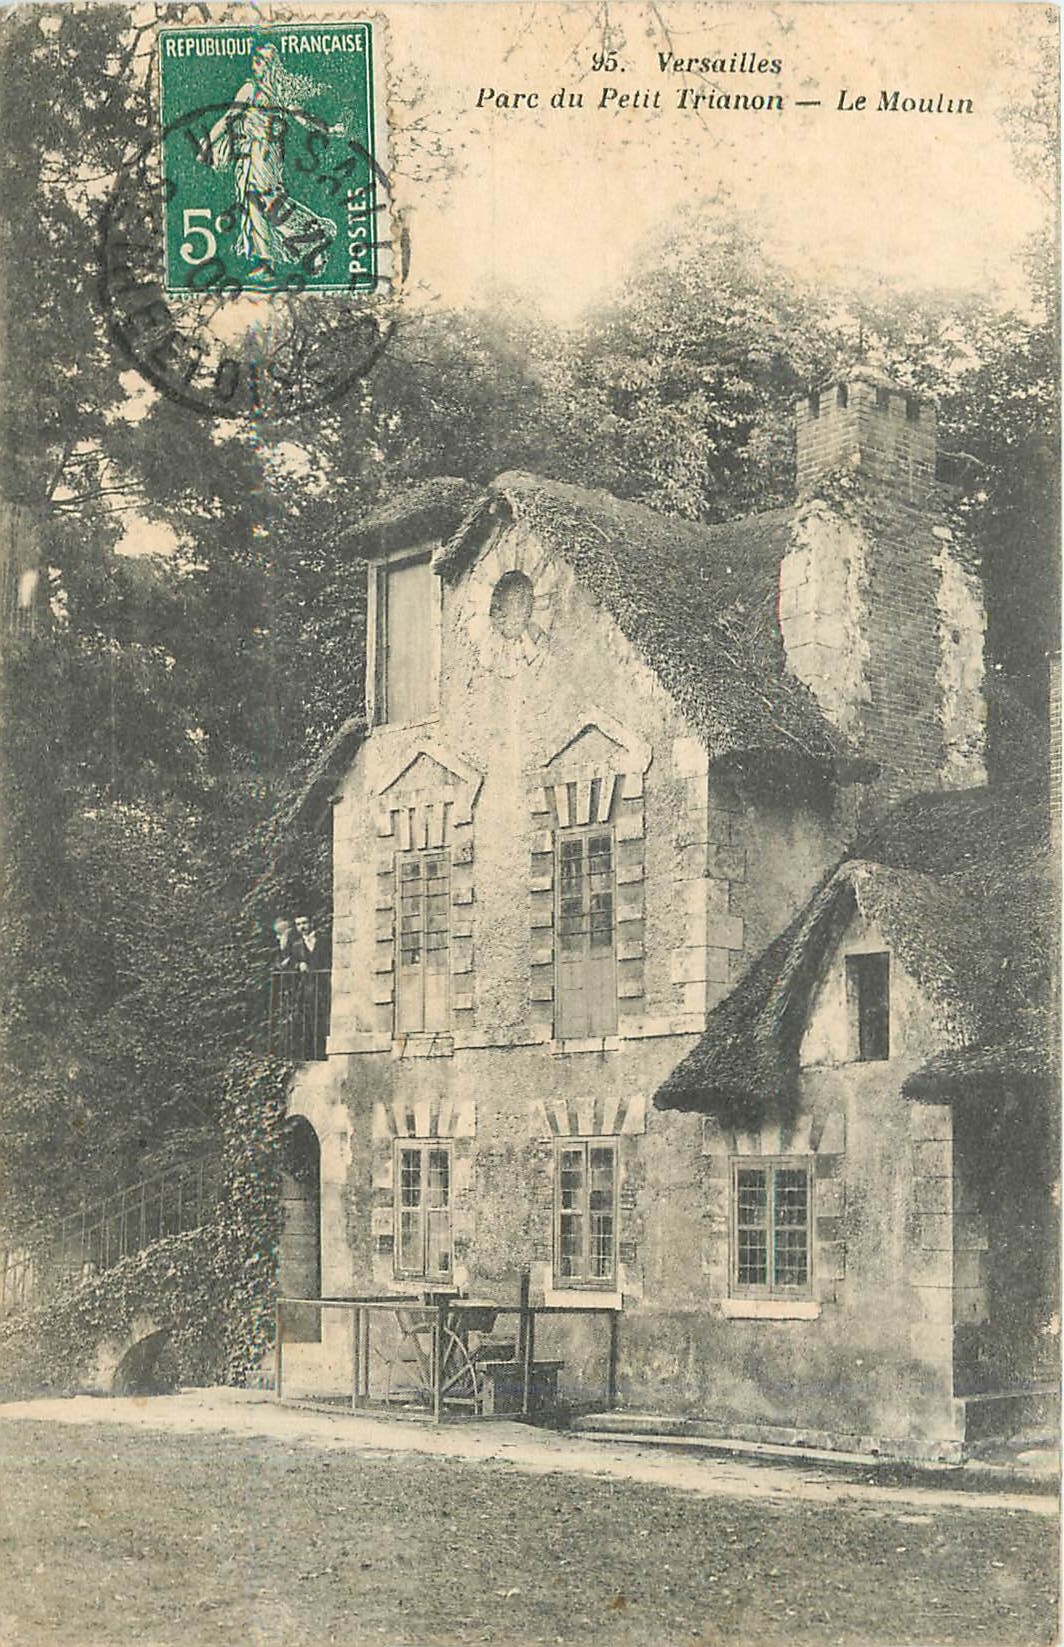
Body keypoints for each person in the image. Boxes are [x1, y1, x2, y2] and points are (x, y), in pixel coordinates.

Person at [198, 42, 338, 278]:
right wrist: (207, 143)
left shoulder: (271, 91)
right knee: (253, 203)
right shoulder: (250, 89)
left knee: (268, 200)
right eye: (254, 60)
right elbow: (228, 119)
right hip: (250, 152)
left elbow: (301, 116)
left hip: (264, 154)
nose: (255, 65)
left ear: (272, 64)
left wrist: (327, 127)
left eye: (261, 60)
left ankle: (313, 238)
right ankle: (267, 260)